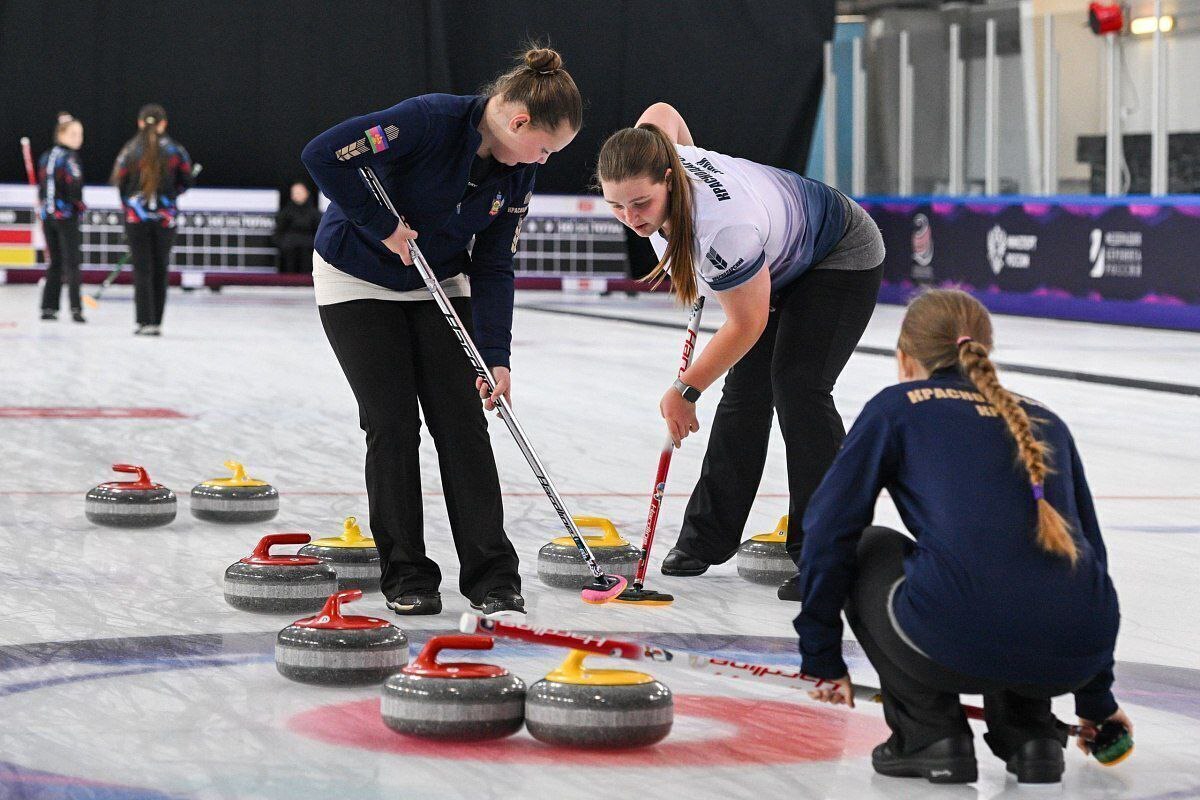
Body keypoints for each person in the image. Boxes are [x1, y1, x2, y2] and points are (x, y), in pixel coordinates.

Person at [797, 289, 1127, 785]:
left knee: (871, 546)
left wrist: (820, 655)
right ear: (984, 350)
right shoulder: (1045, 419)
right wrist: (1096, 700)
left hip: (957, 636)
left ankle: (930, 735)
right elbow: (1090, 560)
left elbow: (829, 529)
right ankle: (1032, 736)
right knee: (1017, 561)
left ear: (904, 358)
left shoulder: (898, 407)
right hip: (1077, 649)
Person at [301, 46, 581, 618]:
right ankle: (406, 573)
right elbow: (324, 154)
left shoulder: (518, 174)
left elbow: (496, 263)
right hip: (357, 278)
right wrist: (383, 226)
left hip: (439, 284)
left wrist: (496, 356)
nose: (545, 160)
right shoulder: (426, 120)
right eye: (547, 147)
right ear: (518, 121)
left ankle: (493, 575)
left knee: (462, 423)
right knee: (393, 423)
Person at [596, 103, 885, 598]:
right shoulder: (659, 155)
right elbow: (662, 112)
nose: (632, 219)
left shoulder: (721, 228)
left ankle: (827, 553)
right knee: (745, 394)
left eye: (641, 203)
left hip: (839, 253)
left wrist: (685, 389)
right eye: (617, 207)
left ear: (670, 177)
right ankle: (706, 540)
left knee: (799, 388)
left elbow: (747, 322)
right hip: (776, 252)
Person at [110, 104, 195, 336]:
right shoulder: (175, 150)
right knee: (160, 267)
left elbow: (120, 182)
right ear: (163, 124)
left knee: (142, 269)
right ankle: (156, 321)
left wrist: (131, 205)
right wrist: (170, 195)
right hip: (165, 218)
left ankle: (144, 321)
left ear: (139, 123)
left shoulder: (129, 150)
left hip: (136, 217)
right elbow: (186, 181)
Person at [38, 114, 87, 323]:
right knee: (72, 263)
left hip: (47, 216)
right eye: (74, 134)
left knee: (55, 262)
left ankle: (49, 307)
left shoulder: (46, 156)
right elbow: (73, 187)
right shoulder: (70, 158)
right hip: (65, 216)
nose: (79, 138)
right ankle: (76, 308)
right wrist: (79, 207)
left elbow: (42, 189)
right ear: (61, 134)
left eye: (80, 134)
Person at [274, 181, 321, 274]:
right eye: (295, 193)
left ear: (307, 193)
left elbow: (319, 233)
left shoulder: (314, 213)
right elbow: (278, 231)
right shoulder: (285, 212)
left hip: (309, 246)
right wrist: (283, 243)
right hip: (289, 246)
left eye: (300, 192)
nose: (298, 195)